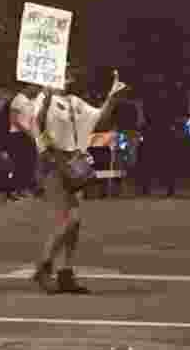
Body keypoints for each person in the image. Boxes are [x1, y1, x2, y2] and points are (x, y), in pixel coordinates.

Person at [30, 69, 127, 294]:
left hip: (74, 165)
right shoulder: (44, 98)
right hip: (53, 163)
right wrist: (46, 98)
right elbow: (37, 123)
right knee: (70, 219)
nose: (68, 77)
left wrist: (112, 96)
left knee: (75, 223)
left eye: (69, 73)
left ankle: (66, 273)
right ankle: (43, 267)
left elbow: (99, 118)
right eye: (63, 73)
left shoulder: (75, 102)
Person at [6, 84, 40, 201]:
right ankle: (13, 191)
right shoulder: (18, 99)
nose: (37, 90)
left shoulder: (30, 102)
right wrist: (27, 132)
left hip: (28, 135)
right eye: (36, 87)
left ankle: (23, 189)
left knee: (29, 163)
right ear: (28, 87)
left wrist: (35, 134)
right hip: (17, 135)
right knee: (20, 163)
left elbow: (31, 121)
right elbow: (13, 120)